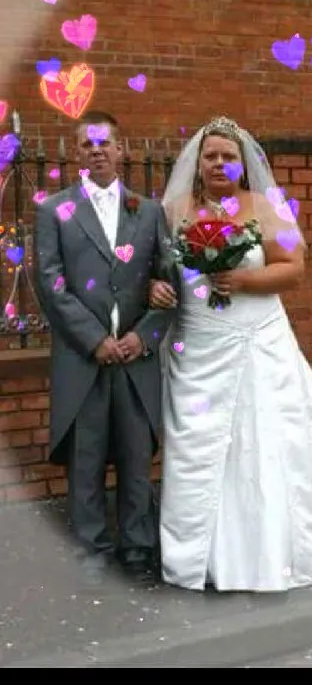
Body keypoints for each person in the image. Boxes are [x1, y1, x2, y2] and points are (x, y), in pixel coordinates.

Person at [149, 115, 312, 593]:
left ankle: (269, 546)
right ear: (198, 163)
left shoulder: (265, 207)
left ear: (243, 165)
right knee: (198, 444)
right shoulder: (175, 209)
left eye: (229, 156)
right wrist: (156, 286)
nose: (220, 163)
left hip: (256, 339)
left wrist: (242, 279)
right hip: (199, 343)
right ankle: (197, 554)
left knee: (265, 435)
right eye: (211, 156)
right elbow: (158, 267)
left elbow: (294, 268)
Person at [33, 110, 179, 586]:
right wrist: (95, 340)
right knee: (87, 457)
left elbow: (169, 282)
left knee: (137, 458)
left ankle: (138, 547)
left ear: (122, 150)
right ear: (76, 153)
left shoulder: (149, 211)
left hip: (136, 359)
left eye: (105, 143)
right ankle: (91, 548)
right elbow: (51, 285)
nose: (97, 150)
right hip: (85, 358)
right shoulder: (55, 210)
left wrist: (145, 334)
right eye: (87, 144)